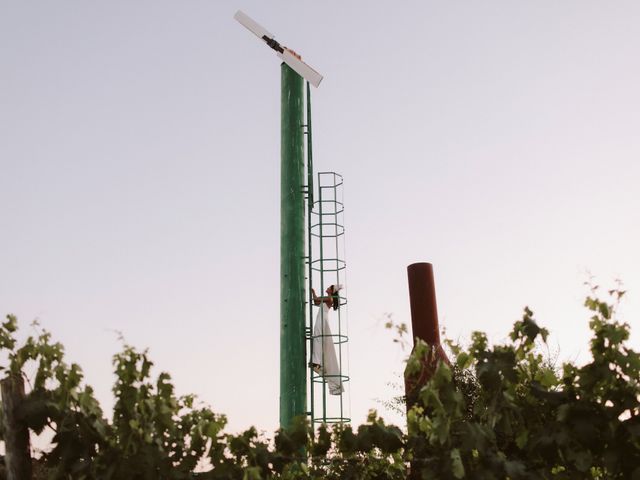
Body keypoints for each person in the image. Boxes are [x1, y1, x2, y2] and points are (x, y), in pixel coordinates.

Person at [309, 284, 345, 395]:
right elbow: (316, 302)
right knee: (318, 339)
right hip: (321, 318)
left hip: (322, 318)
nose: (328, 288)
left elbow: (315, 300)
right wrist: (314, 293)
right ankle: (317, 362)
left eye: (330, 287)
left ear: (332, 291)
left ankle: (316, 362)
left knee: (318, 339)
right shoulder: (328, 298)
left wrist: (313, 293)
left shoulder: (329, 298)